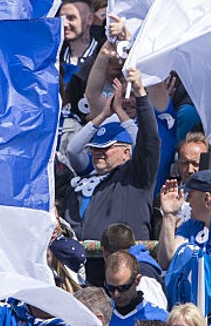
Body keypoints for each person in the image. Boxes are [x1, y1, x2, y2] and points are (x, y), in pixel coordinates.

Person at [60, 68, 159, 243]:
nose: (99, 152)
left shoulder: (136, 178)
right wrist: (104, 114)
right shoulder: (87, 174)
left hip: (123, 261)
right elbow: (73, 150)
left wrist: (137, 97)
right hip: (82, 261)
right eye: (96, 148)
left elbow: (149, 142)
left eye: (106, 148)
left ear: (126, 153)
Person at [105, 251, 168, 326]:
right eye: (110, 288)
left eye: (123, 288)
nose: (116, 294)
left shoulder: (160, 319)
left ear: (137, 280)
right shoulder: (100, 318)